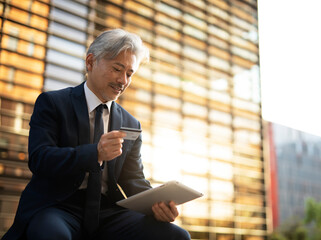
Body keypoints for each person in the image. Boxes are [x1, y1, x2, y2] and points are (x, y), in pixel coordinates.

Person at [2, 29, 191, 240]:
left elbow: (132, 178)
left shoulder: (131, 123)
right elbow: (40, 159)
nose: (123, 80)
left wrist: (157, 205)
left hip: (107, 211)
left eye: (130, 73)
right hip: (57, 206)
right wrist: (95, 153)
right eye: (117, 69)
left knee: (177, 236)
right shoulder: (52, 103)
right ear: (90, 62)